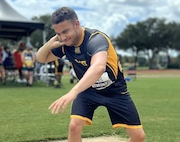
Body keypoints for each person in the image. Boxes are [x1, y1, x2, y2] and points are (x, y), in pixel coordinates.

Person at [36, 7, 145, 142]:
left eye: (65, 31)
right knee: (74, 127)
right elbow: (41, 58)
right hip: (87, 90)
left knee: (138, 136)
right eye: (58, 33)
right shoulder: (65, 43)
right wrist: (51, 42)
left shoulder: (96, 39)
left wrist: (72, 92)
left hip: (115, 91)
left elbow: (98, 67)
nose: (63, 37)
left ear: (77, 24)